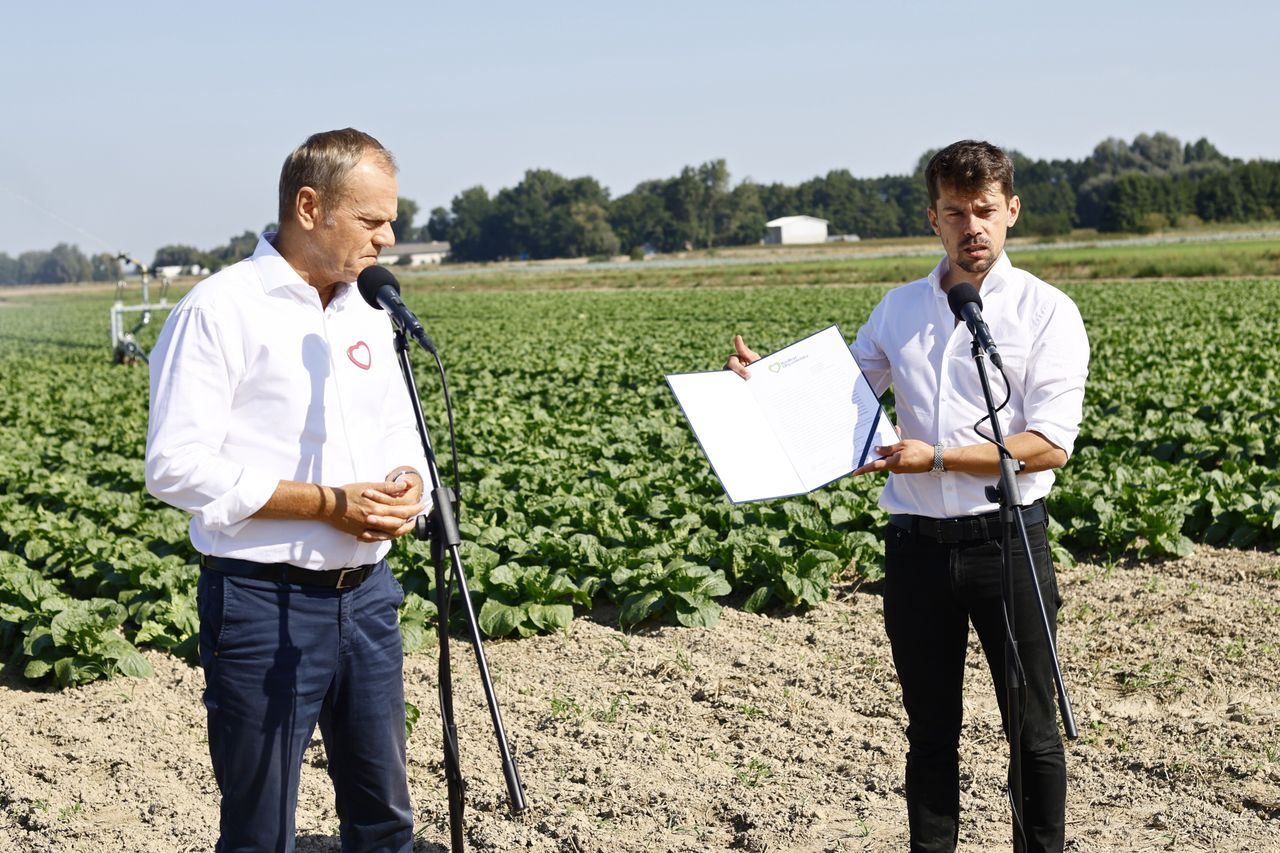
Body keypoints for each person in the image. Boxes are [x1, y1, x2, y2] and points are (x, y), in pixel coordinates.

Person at [727, 140, 1089, 853]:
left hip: (1006, 539)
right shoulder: (898, 311)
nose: (972, 226)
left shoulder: (1047, 312)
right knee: (929, 730)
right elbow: (840, 394)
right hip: (917, 549)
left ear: (1011, 211)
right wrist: (762, 380)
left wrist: (940, 457)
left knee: (1033, 728)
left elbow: (1049, 443)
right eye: (956, 211)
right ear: (934, 218)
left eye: (985, 209)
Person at [145, 128, 431, 853]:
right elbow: (174, 465)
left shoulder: (370, 308)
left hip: (367, 599)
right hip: (261, 602)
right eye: (372, 221)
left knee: (384, 820)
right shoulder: (219, 310)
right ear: (310, 208)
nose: (388, 239)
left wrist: (408, 489)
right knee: (261, 830)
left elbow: (402, 433)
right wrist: (328, 504)